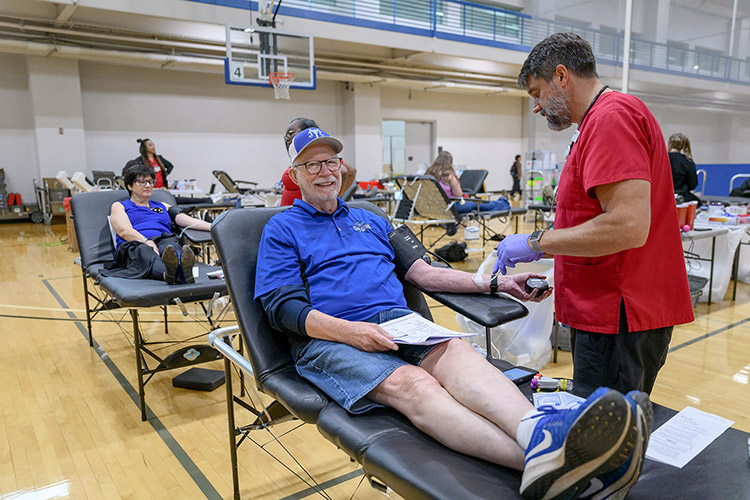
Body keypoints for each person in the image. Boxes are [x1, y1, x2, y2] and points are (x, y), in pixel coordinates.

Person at [255, 127, 650, 500]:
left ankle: (539, 436)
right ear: (295, 175)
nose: (324, 172)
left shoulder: (371, 219)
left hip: (397, 322)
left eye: (331, 162)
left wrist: (494, 284)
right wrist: (352, 333)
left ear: (341, 167)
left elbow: (424, 273)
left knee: (461, 354)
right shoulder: (282, 229)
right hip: (330, 338)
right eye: (311, 165)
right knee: (416, 386)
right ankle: (556, 464)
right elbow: (284, 310)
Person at [495, 32, 694, 400]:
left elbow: (628, 226)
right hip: (607, 307)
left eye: (537, 93)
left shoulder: (611, 118)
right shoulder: (597, 122)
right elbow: (591, 218)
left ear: (561, 76)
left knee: (606, 434)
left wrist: (536, 243)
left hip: (619, 313)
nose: (536, 108)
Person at [104, 163, 211, 284]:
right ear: (129, 186)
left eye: (150, 182)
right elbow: (123, 230)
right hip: (136, 244)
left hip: (162, 239)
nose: (148, 185)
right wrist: (146, 241)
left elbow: (188, 220)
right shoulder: (121, 206)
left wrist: (213, 227)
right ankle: (176, 274)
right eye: (142, 182)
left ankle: (174, 273)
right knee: (145, 253)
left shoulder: (162, 205)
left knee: (171, 246)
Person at [280, 117, 357, 205]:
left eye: (291, 133)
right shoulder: (298, 161)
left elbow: (346, 171)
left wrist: (334, 197)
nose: (286, 138)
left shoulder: (323, 161)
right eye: (312, 164)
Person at [424, 151, 510, 214]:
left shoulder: (428, 175)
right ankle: (502, 203)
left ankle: (501, 202)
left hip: (433, 207)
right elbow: (459, 195)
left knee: (475, 203)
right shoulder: (449, 177)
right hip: (450, 207)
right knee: (476, 203)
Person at [668, 133, 700, 203]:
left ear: (669, 144)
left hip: (663, 197)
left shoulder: (660, 159)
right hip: (682, 198)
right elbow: (693, 184)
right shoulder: (687, 161)